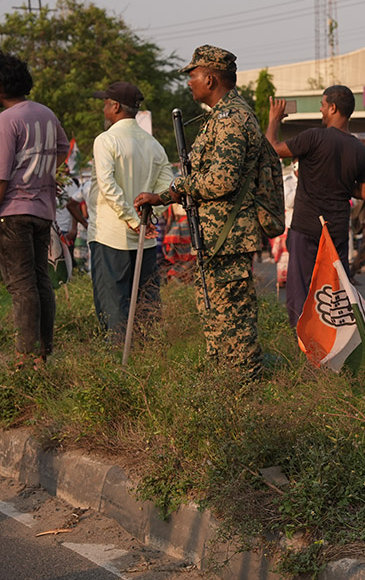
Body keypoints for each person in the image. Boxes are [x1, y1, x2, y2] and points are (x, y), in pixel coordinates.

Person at [134, 45, 266, 375]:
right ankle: (224, 382)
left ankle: (243, 388)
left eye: (192, 75)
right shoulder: (220, 118)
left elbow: (221, 182)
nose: (189, 82)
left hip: (228, 236)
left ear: (210, 78)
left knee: (232, 320)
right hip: (218, 235)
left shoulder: (231, 120)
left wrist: (175, 190)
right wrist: (166, 195)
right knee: (217, 314)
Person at [266, 87, 365, 325]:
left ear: (333, 107)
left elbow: (272, 149)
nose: (321, 109)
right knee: (334, 291)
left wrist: (274, 120)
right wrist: (342, 184)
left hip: (306, 227)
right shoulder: (360, 149)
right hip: (336, 230)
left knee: (300, 290)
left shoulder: (313, 136)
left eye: (323, 104)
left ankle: (304, 344)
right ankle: (334, 344)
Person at [0, 53, 70, 368]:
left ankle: (25, 355)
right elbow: (63, 149)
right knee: (41, 279)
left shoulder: (6, 120)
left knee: (20, 283)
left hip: (13, 210)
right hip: (42, 210)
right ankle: (44, 351)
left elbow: (1, 176)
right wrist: (43, 175)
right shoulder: (46, 113)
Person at [89, 82, 174, 339]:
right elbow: (166, 183)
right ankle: (146, 359)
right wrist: (146, 216)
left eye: (105, 103)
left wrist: (130, 217)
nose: (104, 108)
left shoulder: (106, 140)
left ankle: (118, 365)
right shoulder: (153, 143)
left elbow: (107, 184)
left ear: (115, 106)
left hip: (111, 235)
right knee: (145, 303)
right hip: (143, 238)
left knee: (113, 305)